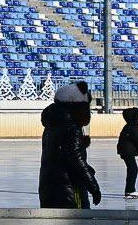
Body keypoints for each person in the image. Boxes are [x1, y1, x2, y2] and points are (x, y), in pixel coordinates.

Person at [38, 81, 101, 209]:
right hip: (69, 190)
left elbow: (61, 157)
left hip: (49, 189)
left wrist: (88, 169)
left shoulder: (52, 125)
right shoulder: (71, 127)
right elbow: (76, 160)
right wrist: (93, 187)